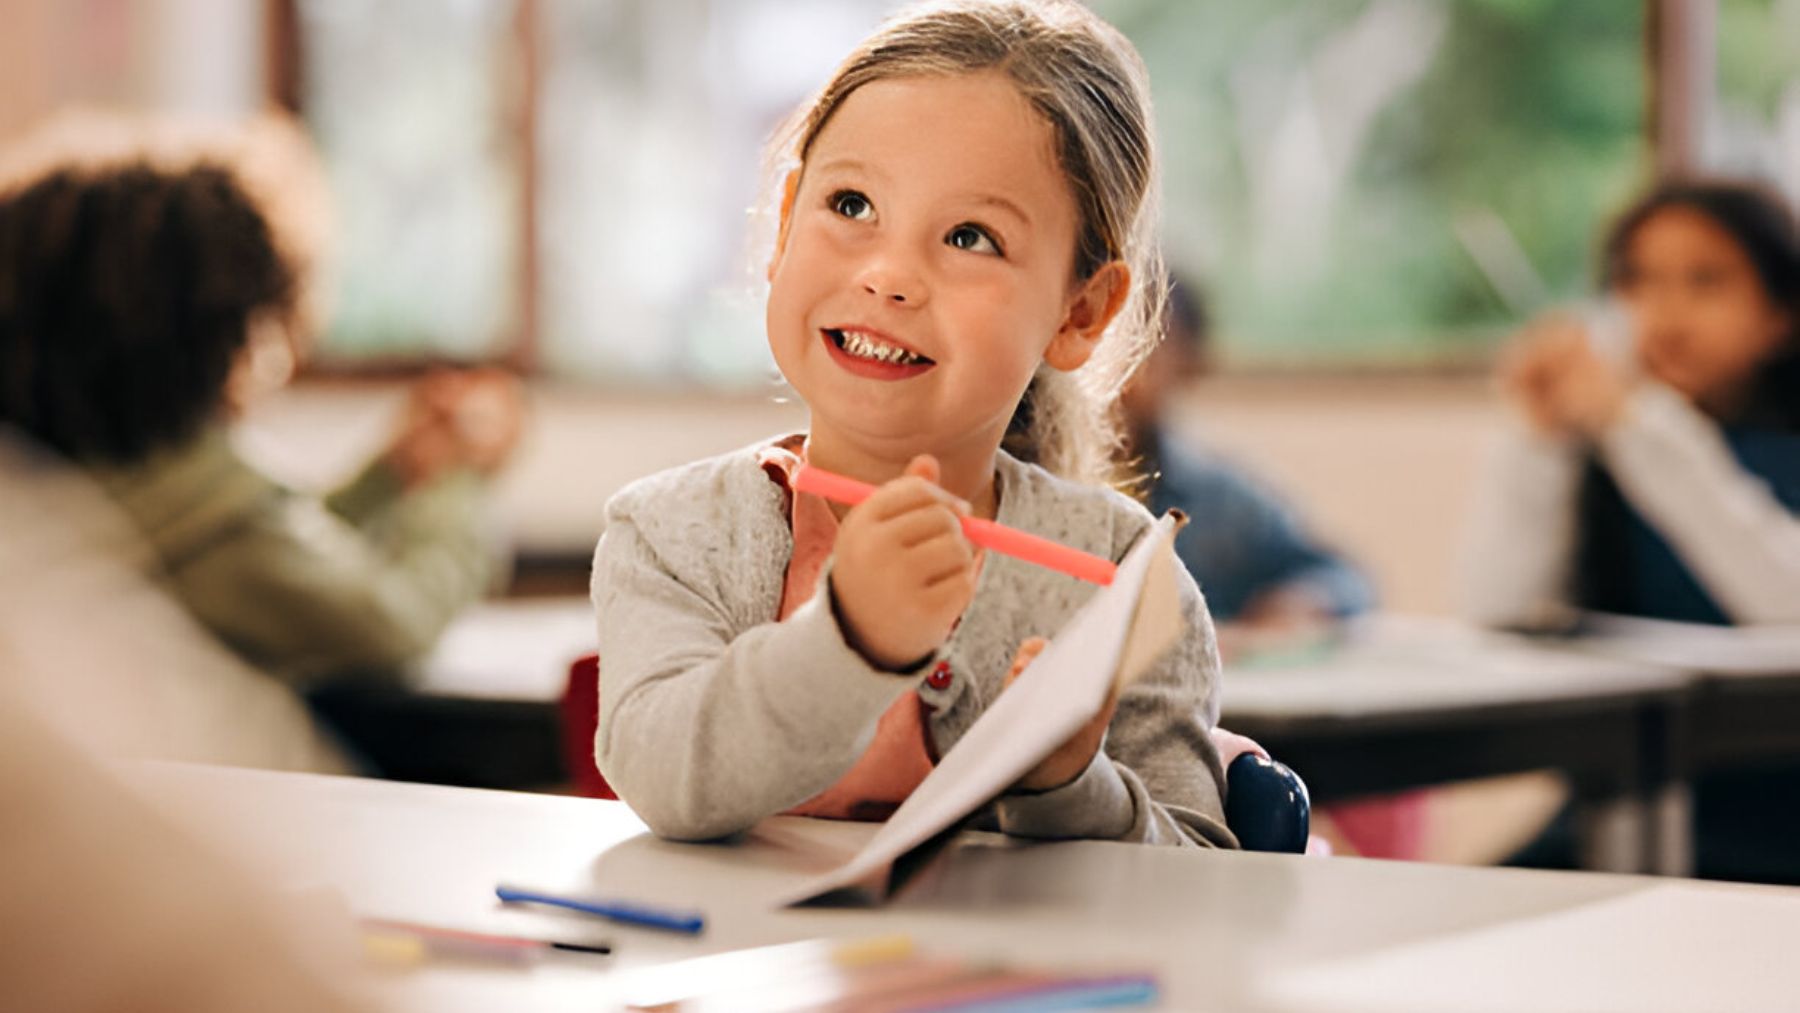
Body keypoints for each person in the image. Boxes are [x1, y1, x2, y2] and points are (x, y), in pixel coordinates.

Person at [592, 0, 1234, 847]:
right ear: (784, 226)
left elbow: (1204, 874)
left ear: (1081, 311)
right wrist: (848, 642)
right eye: (851, 205)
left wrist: (1072, 783)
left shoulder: (1117, 578)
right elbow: (662, 776)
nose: (889, 275)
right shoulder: (671, 533)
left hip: (1025, 982)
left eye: (970, 236)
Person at [0, 156, 523, 685]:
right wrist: (457, 479)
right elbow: (393, 622)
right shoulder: (212, 521)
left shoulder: (63, 478)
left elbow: (287, 549)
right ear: (211, 334)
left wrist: (388, 476)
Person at [1465, 180, 1800, 882]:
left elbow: (1785, 607)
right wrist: (1538, 440)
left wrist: (1638, 424)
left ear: (1780, 313)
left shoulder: (1657, 439)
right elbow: (1497, 613)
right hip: (1619, 813)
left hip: (1770, 826)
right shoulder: (1610, 455)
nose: (1665, 311)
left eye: (1706, 281)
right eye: (1637, 280)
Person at [1121, 276, 1374, 661]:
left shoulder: (1218, 497)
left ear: (1190, 364)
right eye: (1114, 339)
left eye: (1151, 347)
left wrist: (1303, 602)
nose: (1125, 365)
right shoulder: (1030, 475)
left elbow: (1346, 579)